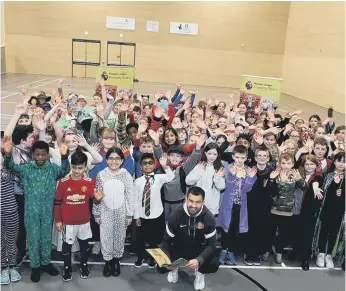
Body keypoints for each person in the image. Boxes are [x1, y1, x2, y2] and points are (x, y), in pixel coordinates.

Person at [2, 138, 70, 283]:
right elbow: (10, 166)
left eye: (43, 154)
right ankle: (35, 266)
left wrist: (64, 156)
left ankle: (45, 263)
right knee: (33, 239)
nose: (40, 157)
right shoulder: (26, 168)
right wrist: (7, 154)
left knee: (46, 238)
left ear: (47, 155)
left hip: (47, 212)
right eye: (37, 154)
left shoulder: (52, 169)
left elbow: (65, 170)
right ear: (32, 154)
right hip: (31, 212)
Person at [54, 152, 104, 282]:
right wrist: (58, 220)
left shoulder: (88, 182)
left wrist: (98, 200)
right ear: (71, 166)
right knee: (67, 246)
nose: (77, 170)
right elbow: (57, 202)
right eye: (74, 167)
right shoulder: (63, 182)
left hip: (84, 221)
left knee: (84, 246)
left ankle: (84, 265)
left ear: (85, 167)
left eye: (80, 168)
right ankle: (67, 267)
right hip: (68, 222)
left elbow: (95, 200)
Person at [158, 186, 219, 291]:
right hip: (179, 248)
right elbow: (166, 240)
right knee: (161, 265)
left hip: (198, 249)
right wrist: (166, 260)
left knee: (213, 262)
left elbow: (212, 244)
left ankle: (200, 273)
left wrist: (199, 260)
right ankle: (173, 269)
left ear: (203, 202)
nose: (194, 205)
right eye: (191, 201)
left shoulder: (209, 218)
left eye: (198, 202)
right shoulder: (175, 215)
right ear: (186, 199)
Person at [93, 147, 134, 277]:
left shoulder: (126, 175)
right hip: (105, 211)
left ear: (122, 160)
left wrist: (129, 214)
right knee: (105, 237)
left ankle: (116, 260)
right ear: (106, 159)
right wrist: (96, 213)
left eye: (117, 159)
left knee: (119, 237)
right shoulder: (101, 175)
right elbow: (97, 195)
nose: (114, 161)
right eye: (111, 158)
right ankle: (108, 261)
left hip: (121, 212)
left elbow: (129, 195)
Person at [217, 145, 257, 265]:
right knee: (226, 229)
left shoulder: (249, 170)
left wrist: (250, 178)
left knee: (235, 229)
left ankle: (231, 251)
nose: (240, 160)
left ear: (246, 158)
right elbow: (229, 186)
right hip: (228, 205)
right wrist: (232, 175)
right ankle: (224, 250)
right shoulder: (228, 168)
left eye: (242, 157)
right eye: (237, 157)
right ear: (233, 156)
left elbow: (246, 189)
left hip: (241, 206)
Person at [133, 153, 174, 268]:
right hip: (142, 215)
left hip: (156, 214)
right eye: (144, 163)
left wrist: (165, 166)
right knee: (140, 239)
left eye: (150, 163)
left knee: (154, 240)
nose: (147, 165)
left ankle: (152, 258)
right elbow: (135, 200)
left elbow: (171, 177)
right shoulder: (137, 181)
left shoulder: (159, 177)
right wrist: (136, 216)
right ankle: (140, 257)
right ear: (141, 166)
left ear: (154, 165)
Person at [268, 152, 308, 264]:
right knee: (270, 231)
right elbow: (270, 190)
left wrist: (299, 178)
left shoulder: (295, 174)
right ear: (279, 163)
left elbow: (305, 188)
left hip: (288, 211)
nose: (286, 165)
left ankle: (279, 252)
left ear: (292, 164)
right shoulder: (276, 173)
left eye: (288, 163)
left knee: (283, 233)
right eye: (283, 163)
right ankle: (267, 250)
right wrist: (279, 181)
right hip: (274, 209)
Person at [314, 152, 345, 269]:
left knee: (334, 232)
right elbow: (322, 191)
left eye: (344, 161)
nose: (341, 164)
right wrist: (335, 185)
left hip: (340, 212)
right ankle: (321, 253)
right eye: (339, 161)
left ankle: (329, 255)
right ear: (334, 162)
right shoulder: (328, 175)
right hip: (326, 209)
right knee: (324, 231)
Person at [244, 145, 273, 265]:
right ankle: (249, 253)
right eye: (259, 155)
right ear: (255, 157)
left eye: (264, 156)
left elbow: (273, 191)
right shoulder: (249, 170)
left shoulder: (272, 172)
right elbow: (244, 189)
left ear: (268, 158)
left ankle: (257, 253)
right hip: (250, 204)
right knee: (250, 228)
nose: (262, 158)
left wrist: (271, 181)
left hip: (265, 206)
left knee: (261, 229)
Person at [186, 142, 226, 216]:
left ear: (218, 155)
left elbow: (221, 187)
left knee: (209, 226)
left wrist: (217, 177)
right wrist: (199, 172)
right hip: (197, 204)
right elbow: (188, 181)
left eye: (214, 154)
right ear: (205, 153)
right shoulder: (200, 165)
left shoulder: (219, 168)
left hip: (211, 207)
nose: (212, 156)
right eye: (209, 153)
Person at [0, 152, 22, 285]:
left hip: (11, 211)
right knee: (0, 243)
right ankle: (3, 268)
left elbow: (15, 177)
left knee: (12, 242)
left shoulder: (8, 172)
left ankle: (12, 267)